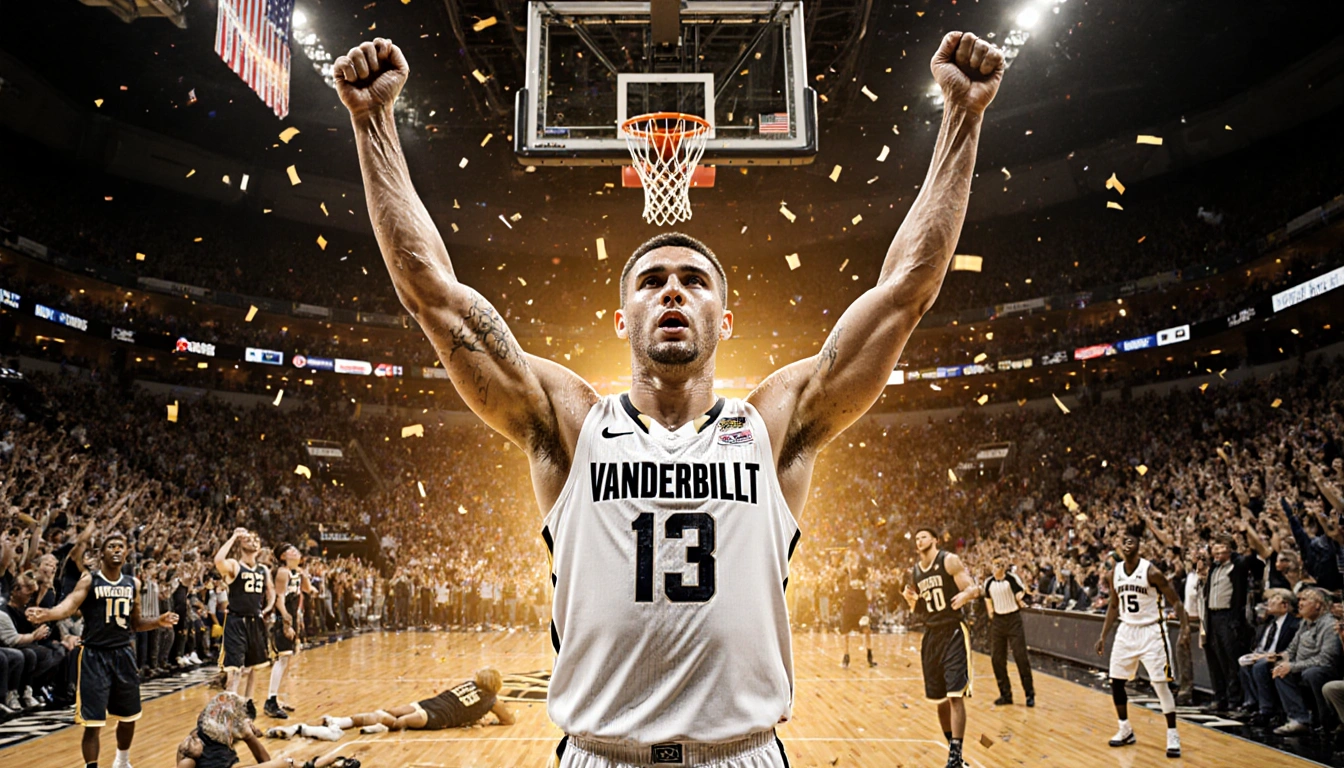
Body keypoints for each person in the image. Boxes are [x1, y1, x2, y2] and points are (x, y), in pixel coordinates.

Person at [334, 24, 1005, 768]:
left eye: (694, 281)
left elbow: (904, 293)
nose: (674, 291)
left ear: (725, 313)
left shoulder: (772, 425)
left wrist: (962, 117)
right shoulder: (570, 420)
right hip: (599, 752)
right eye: (652, 282)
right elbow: (433, 295)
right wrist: (373, 123)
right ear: (624, 319)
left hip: (741, 753)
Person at [25, 531, 179, 768]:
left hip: (123, 654)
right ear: (102, 553)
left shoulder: (133, 584)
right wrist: (47, 613)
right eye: (111, 546)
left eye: (121, 546)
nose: (117, 549)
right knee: (93, 721)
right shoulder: (90, 579)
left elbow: (136, 624)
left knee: (129, 716)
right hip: (94, 655)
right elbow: (68, 606)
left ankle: (122, 761)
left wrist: (158, 621)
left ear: (126, 553)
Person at [1094, 522, 1190, 759]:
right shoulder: (1112, 573)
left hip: (1152, 632)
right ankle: (1125, 729)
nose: (1127, 545)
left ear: (1139, 546)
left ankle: (1172, 734)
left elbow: (1176, 602)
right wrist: (1103, 635)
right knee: (1116, 681)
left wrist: (1186, 627)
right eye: (1123, 541)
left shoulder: (1152, 572)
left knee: (1160, 685)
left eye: (1132, 541)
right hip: (1126, 631)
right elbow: (1114, 606)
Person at [902, 528, 982, 768]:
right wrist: (912, 602)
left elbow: (974, 588)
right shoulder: (916, 572)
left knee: (955, 695)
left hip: (953, 631)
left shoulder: (948, 560)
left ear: (935, 540)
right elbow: (923, 610)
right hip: (931, 635)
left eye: (924, 536)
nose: (920, 540)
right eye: (916, 538)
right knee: (940, 700)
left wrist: (966, 596)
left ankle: (955, 758)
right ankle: (952, 751)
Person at [175, 691, 360, 768]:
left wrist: (248, 735)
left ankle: (330, 762)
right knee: (284, 763)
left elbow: (264, 761)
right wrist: (248, 735)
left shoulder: (220, 732)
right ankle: (328, 762)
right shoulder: (191, 749)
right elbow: (267, 761)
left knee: (286, 763)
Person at [317, 667, 513, 734]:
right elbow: (509, 719)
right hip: (438, 715)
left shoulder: (469, 684)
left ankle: (342, 721)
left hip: (429, 703)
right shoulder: (491, 700)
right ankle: (376, 725)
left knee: (391, 712)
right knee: (396, 724)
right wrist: (491, 720)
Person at [1200, 532, 1261, 713]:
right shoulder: (1214, 569)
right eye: (1214, 551)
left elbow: (1247, 561)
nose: (1216, 555)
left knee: (1230, 660)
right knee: (1216, 660)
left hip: (1229, 617)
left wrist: (1232, 548)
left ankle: (1235, 700)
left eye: (1221, 551)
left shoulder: (1236, 566)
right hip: (1212, 616)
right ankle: (1220, 697)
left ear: (1228, 550)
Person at [1268, 587, 1341, 734]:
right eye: (1300, 599)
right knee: (1280, 669)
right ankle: (1299, 719)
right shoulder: (1304, 623)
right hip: (1304, 666)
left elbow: (1326, 659)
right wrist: (1281, 657)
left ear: (1318, 605)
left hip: (1325, 669)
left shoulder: (1329, 625)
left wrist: (1293, 666)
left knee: (1312, 674)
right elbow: (1292, 649)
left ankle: (1327, 722)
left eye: (1305, 600)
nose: (1299, 604)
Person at [214, 529, 274, 707]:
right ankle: (228, 708)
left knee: (253, 667)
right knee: (235, 669)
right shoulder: (234, 565)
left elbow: (270, 591)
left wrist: (268, 609)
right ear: (241, 543)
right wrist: (233, 537)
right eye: (248, 539)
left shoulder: (264, 569)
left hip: (255, 621)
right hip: (236, 620)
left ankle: (247, 704)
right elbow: (218, 561)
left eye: (255, 539)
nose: (253, 541)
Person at [1241, 588, 1300, 725]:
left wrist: (1268, 656)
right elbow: (1259, 644)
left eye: (1275, 599)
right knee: (1245, 662)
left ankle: (1266, 710)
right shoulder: (1268, 623)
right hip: (1263, 655)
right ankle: (1251, 704)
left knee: (1260, 666)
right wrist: (1255, 654)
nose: (1269, 602)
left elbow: (1290, 649)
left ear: (1285, 605)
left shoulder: (1293, 625)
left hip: (1278, 658)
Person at [982, 558, 1035, 707]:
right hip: (998, 621)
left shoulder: (1012, 579)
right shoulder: (988, 582)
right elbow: (987, 599)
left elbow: (1019, 593)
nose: (998, 568)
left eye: (1000, 565)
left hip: (1013, 620)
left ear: (1004, 567)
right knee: (997, 659)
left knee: (1020, 657)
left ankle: (1029, 694)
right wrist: (991, 614)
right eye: (995, 565)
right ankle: (1005, 694)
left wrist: (1022, 599)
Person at [265, 543, 307, 720]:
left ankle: (279, 697)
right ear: (283, 557)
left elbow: (306, 589)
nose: (295, 551)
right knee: (282, 659)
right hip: (284, 617)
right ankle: (271, 701)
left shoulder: (296, 572)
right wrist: (286, 622)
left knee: (287, 660)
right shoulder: (283, 572)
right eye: (290, 550)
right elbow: (279, 599)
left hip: (293, 617)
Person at [839, 568, 875, 669]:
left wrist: (871, 587)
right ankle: (846, 656)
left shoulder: (866, 584)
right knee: (845, 633)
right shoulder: (846, 578)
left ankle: (869, 656)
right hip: (849, 609)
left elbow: (869, 598)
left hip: (860, 610)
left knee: (867, 631)